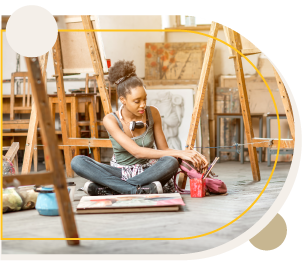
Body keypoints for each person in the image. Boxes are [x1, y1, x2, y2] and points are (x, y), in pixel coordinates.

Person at [71, 60, 208, 196]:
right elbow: (136, 152)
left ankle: (114, 189)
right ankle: (135, 189)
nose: (142, 105)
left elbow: (164, 150)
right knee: (78, 162)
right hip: (119, 172)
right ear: (123, 100)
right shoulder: (111, 120)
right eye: (137, 101)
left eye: (145, 99)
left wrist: (181, 153)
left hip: (148, 171)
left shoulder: (153, 113)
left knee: (170, 162)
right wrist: (180, 153)